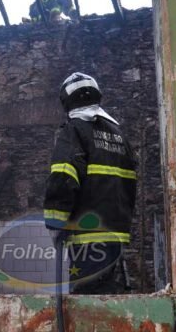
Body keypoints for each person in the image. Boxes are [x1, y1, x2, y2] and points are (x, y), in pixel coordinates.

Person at [43, 72, 137, 294]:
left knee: (87, 305)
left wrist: (55, 223)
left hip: (88, 237)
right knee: (109, 299)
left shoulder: (74, 130)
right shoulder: (120, 136)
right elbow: (130, 186)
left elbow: (63, 177)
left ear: (66, 101)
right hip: (115, 236)